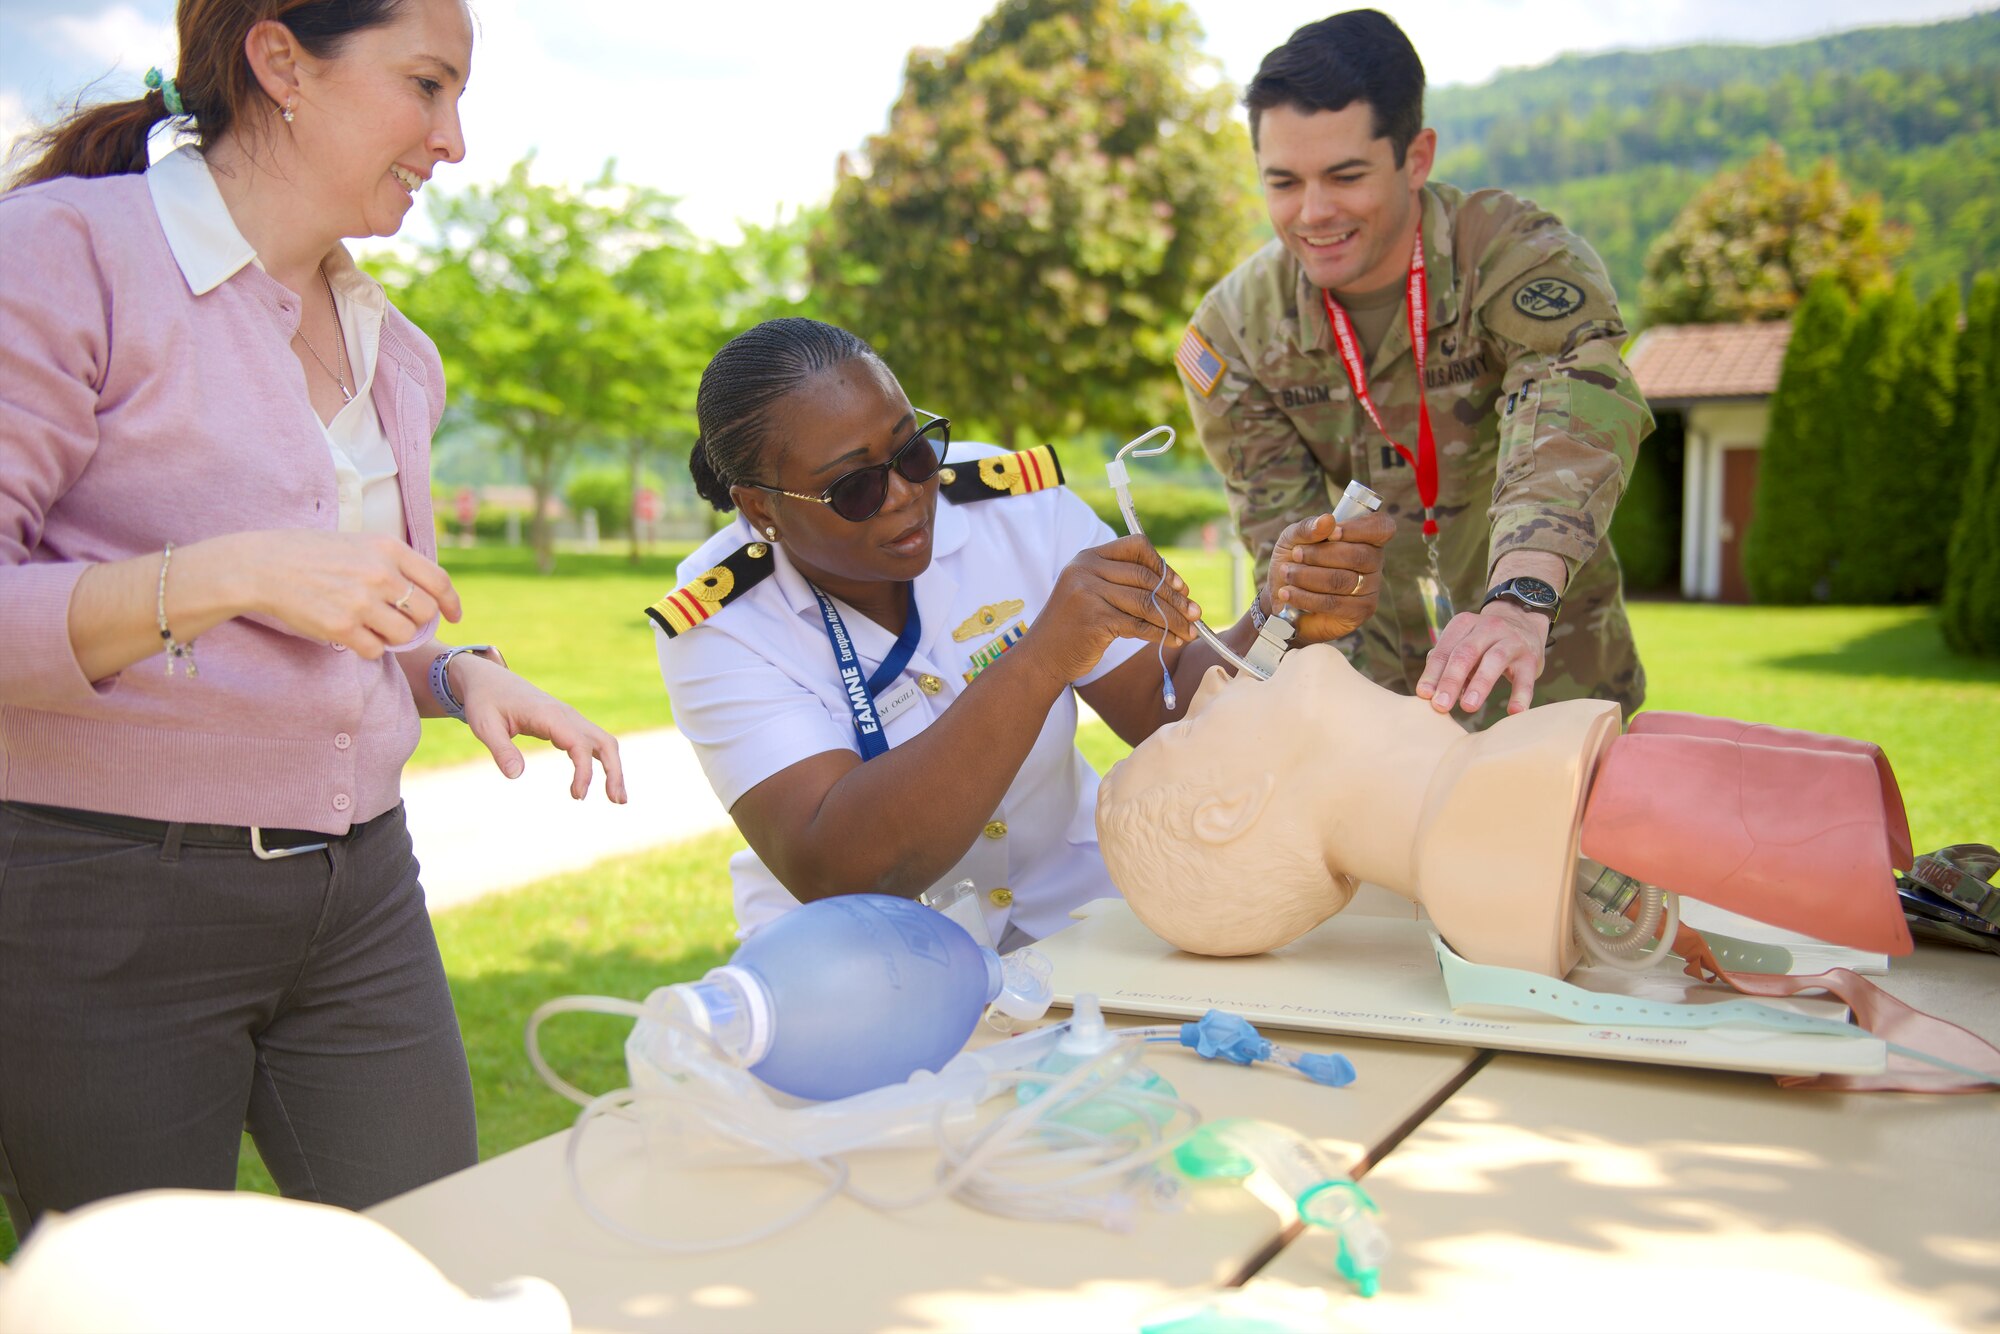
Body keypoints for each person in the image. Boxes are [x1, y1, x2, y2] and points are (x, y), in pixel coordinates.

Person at [0, 0, 625, 1234]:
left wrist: (451, 672)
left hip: (360, 892)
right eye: (425, 86)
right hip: (102, 899)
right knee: (141, 1310)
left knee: (435, 1261)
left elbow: (334, 602)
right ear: (281, 60)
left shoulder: (397, 349)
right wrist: (224, 571)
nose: (453, 141)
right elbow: (255, 576)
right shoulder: (61, 256)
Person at [652, 317, 1390, 949]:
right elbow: (839, 865)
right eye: (855, 487)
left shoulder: (1012, 505)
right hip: (869, 970)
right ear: (760, 507)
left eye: (913, 450)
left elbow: (1159, 708)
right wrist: (1040, 659)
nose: (907, 494)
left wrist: (1281, 618)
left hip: (1077, 926)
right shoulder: (720, 623)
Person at [1178, 9, 1654, 726]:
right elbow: (1296, 556)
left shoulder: (1508, 255)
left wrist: (1520, 597)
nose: (1313, 212)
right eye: (1282, 182)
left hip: (1548, 683)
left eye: (1345, 175)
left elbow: (1573, 403)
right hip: (1371, 716)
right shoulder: (1236, 333)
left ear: (1417, 156)